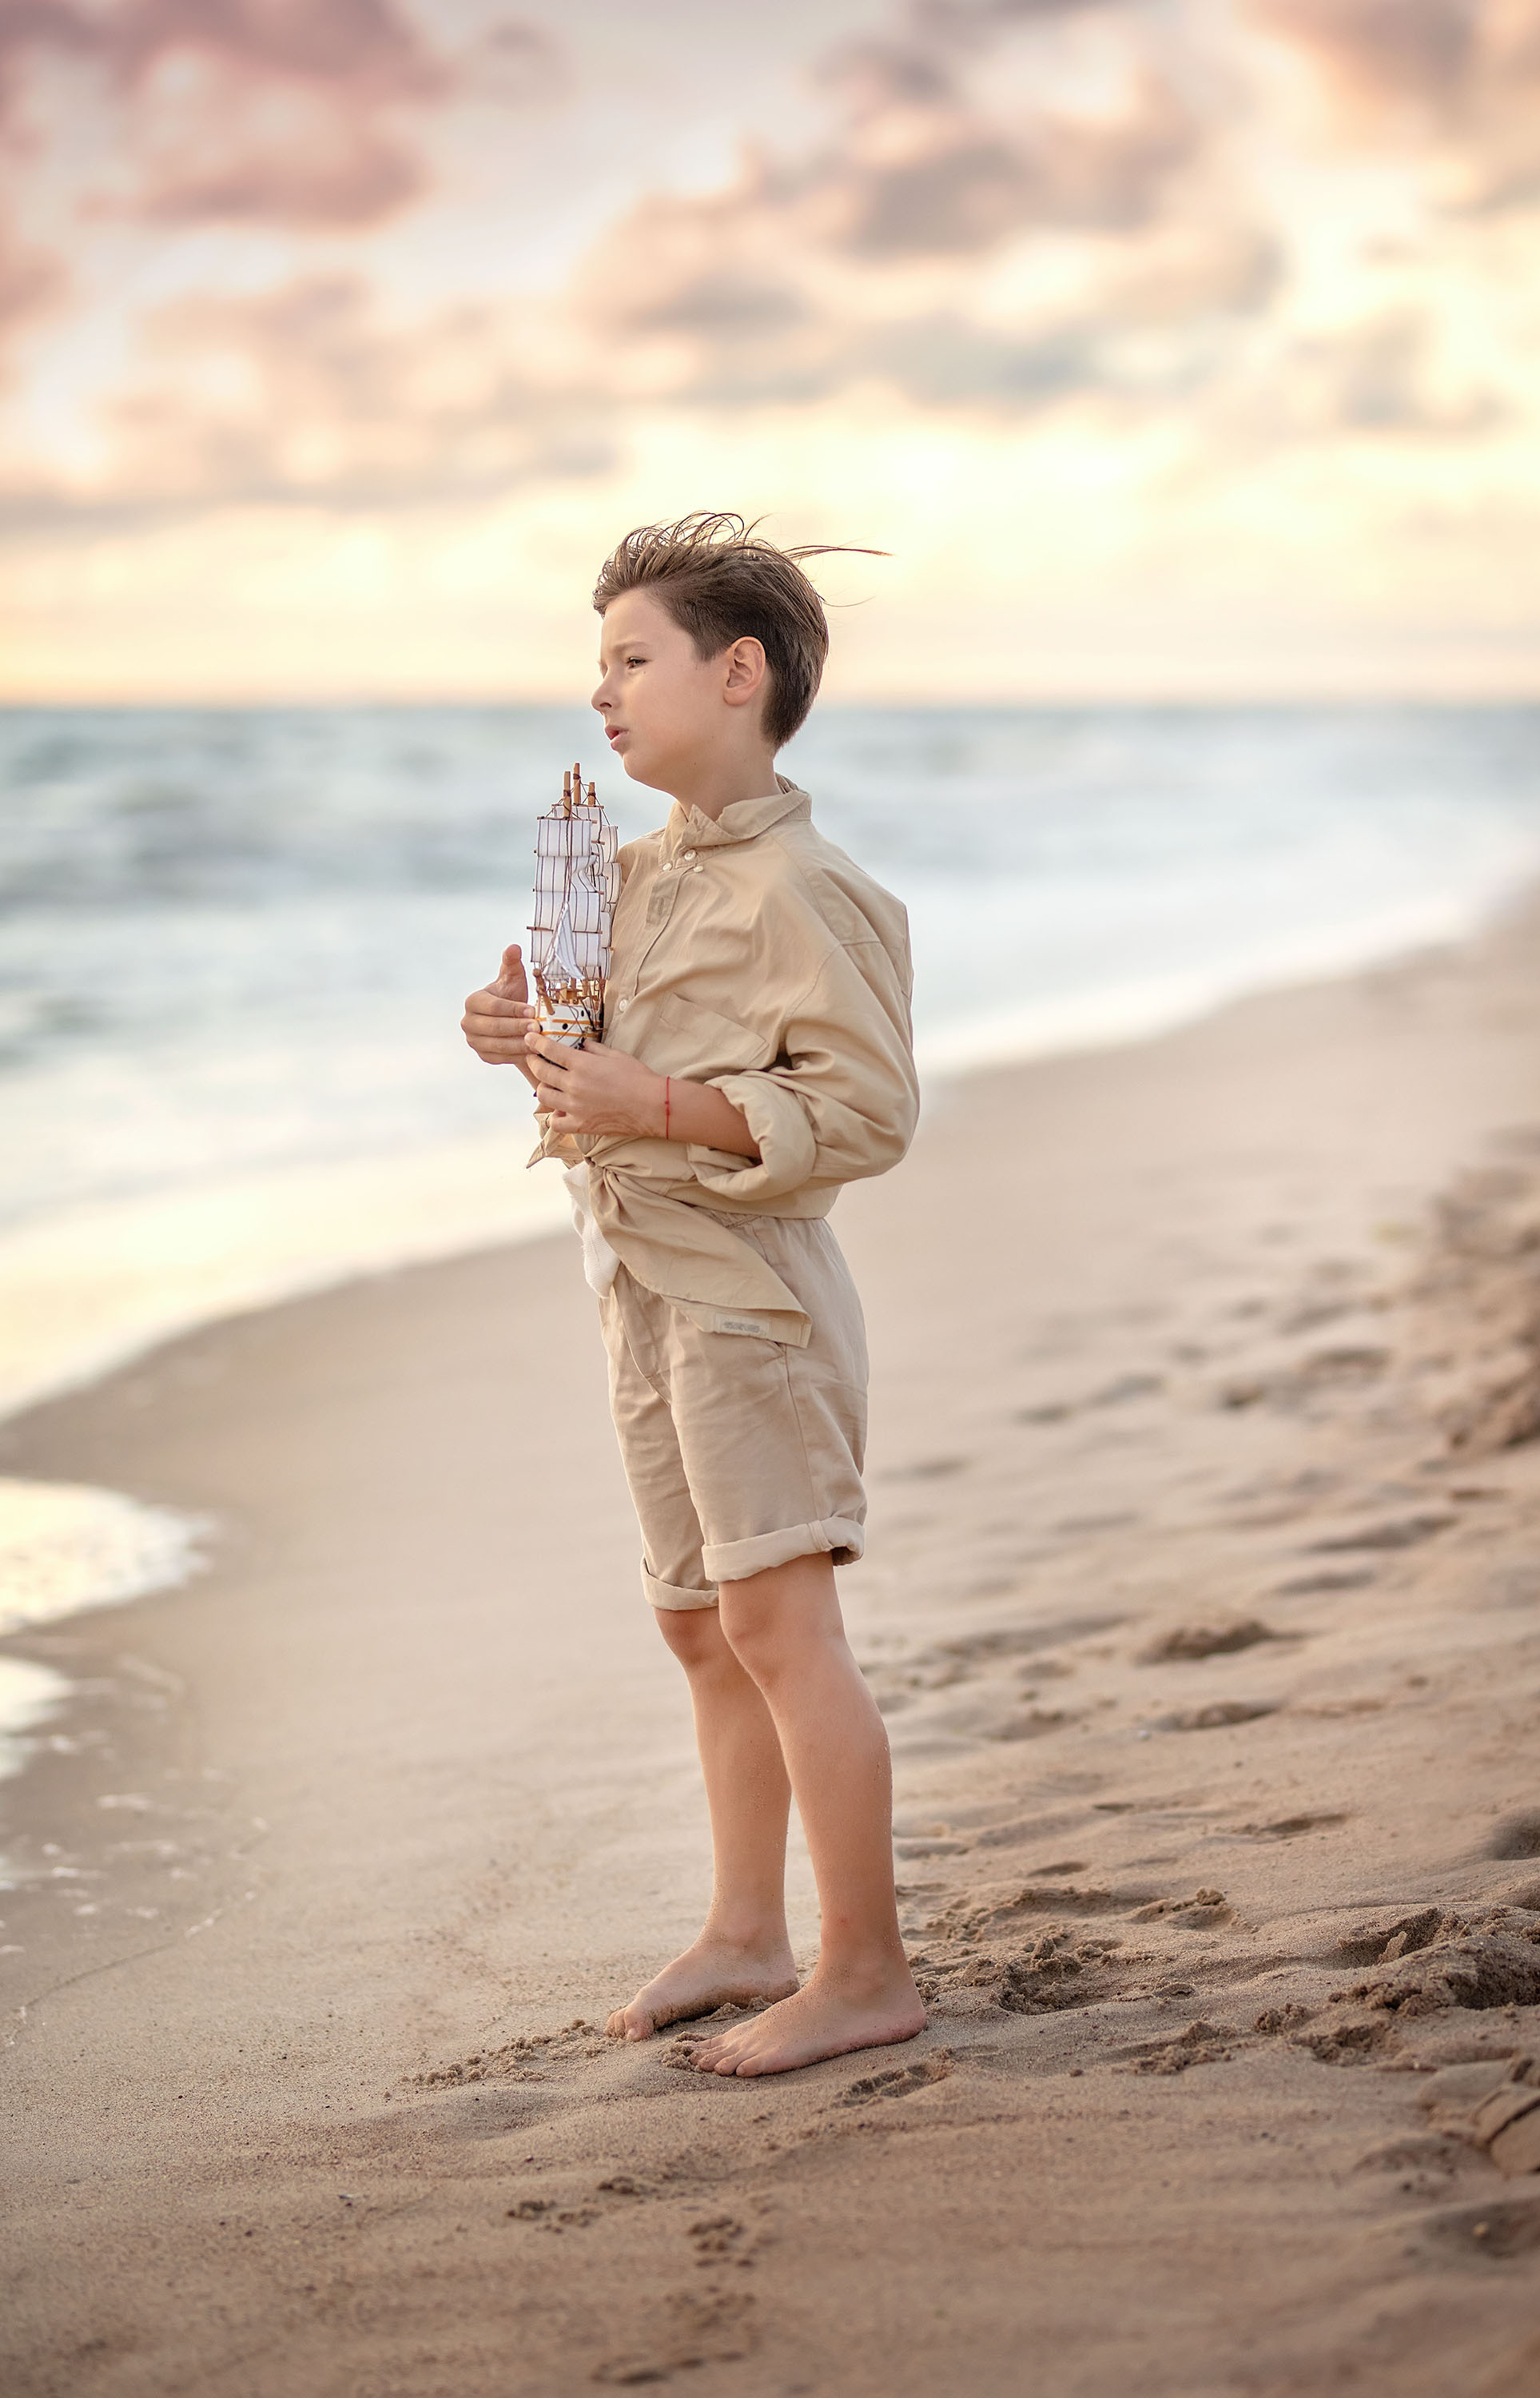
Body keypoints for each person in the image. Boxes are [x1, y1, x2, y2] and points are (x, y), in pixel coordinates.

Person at [460, 513, 924, 2078]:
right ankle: (745, 1929)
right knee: (694, 1624)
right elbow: (594, 1078)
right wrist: (519, 1038)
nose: (600, 692)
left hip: (751, 1303)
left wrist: (656, 1105)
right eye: (594, 664)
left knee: (780, 1622)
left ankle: (863, 1965)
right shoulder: (626, 871)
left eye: (630, 659)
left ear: (738, 674)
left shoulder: (808, 887)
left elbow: (861, 1114)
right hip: (638, 1289)